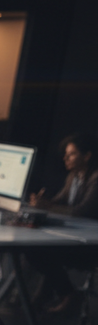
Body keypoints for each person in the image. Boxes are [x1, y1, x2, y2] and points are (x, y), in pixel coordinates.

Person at [28, 131, 98, 311]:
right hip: (71, 236)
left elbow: (80, 211)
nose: (65, 158)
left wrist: (47, 206)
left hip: (87, 244)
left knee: (40, 252)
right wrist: (42, 202)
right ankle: (41, 297)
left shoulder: (95, 178)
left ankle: (67, 294)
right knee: (33, 248)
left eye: (72, 154)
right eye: (66, 154)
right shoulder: (73, 176)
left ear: (87, 156)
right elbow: (57, 202)